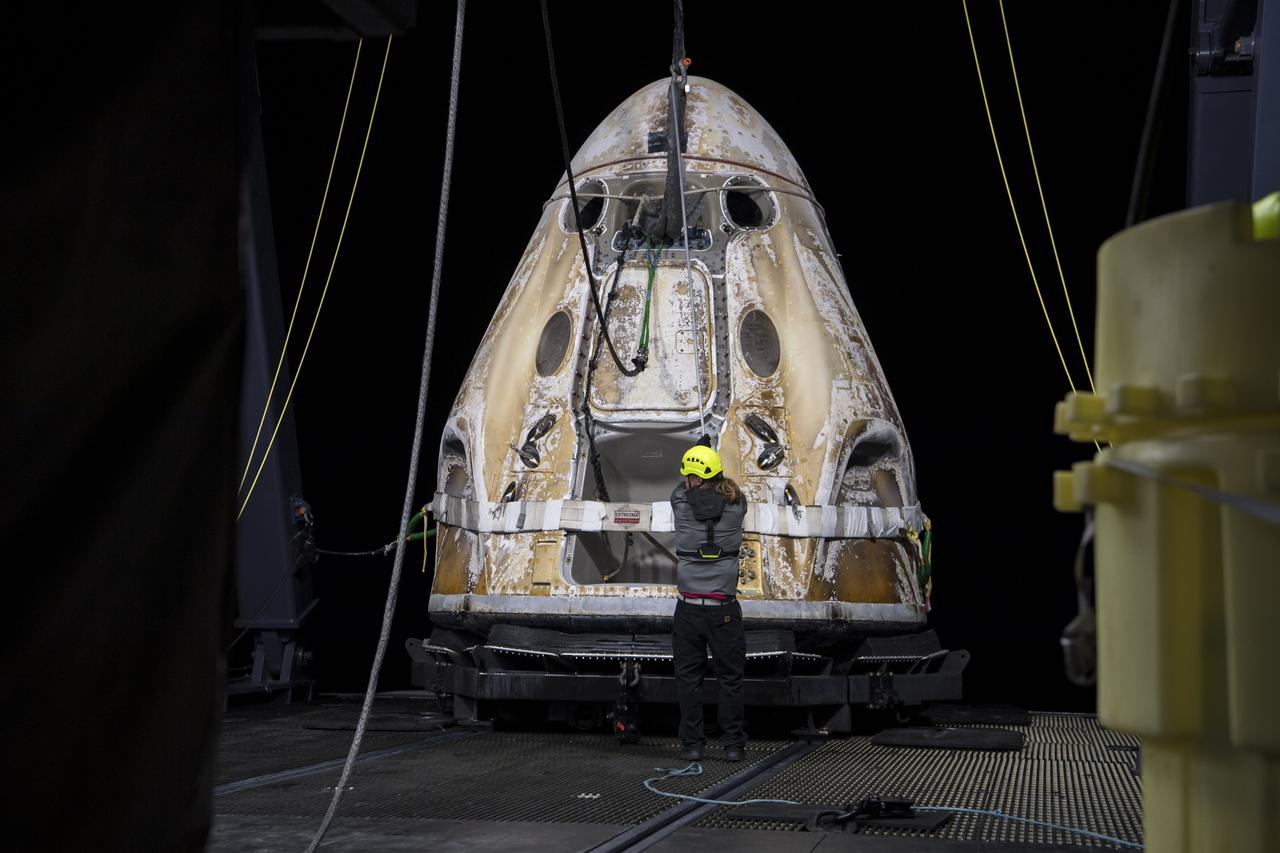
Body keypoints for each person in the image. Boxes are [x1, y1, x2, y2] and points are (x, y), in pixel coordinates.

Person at [670, 442, 748, 762]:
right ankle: (732, 746)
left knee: (689, 680)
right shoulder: (738, 504)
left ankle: (693, 745)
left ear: (696, 479)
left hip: (689, 609)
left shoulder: (680, 503)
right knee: (730, 680)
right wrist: (709, 462)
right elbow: (727, 489)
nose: (684, 480)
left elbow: (681, 490)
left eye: (688, 475)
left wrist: (696, 460)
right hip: (724, 611)